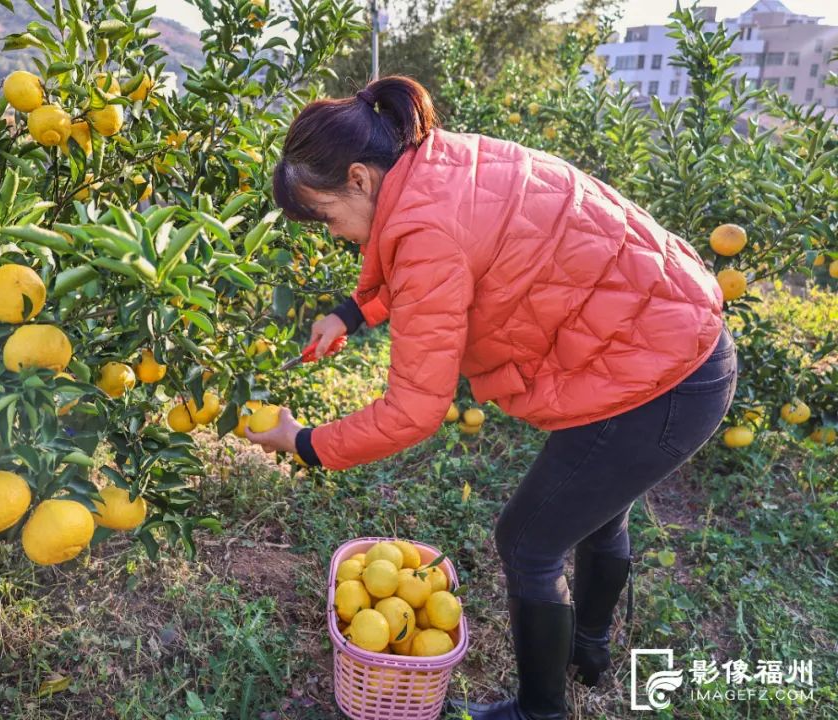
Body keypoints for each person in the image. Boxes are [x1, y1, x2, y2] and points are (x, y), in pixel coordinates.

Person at [243, 75, 736, 719]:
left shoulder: (424, 232)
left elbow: (414, 410)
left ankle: (541, 711)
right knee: (595, 513)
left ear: (360, 179)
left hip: (661, 380)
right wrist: (353, 312)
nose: (335, 235)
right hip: (663, 344)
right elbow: (458, 255)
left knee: (529, 542)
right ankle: (588, 654)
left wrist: (304, 443)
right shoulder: (443, 163)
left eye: (329, 218)